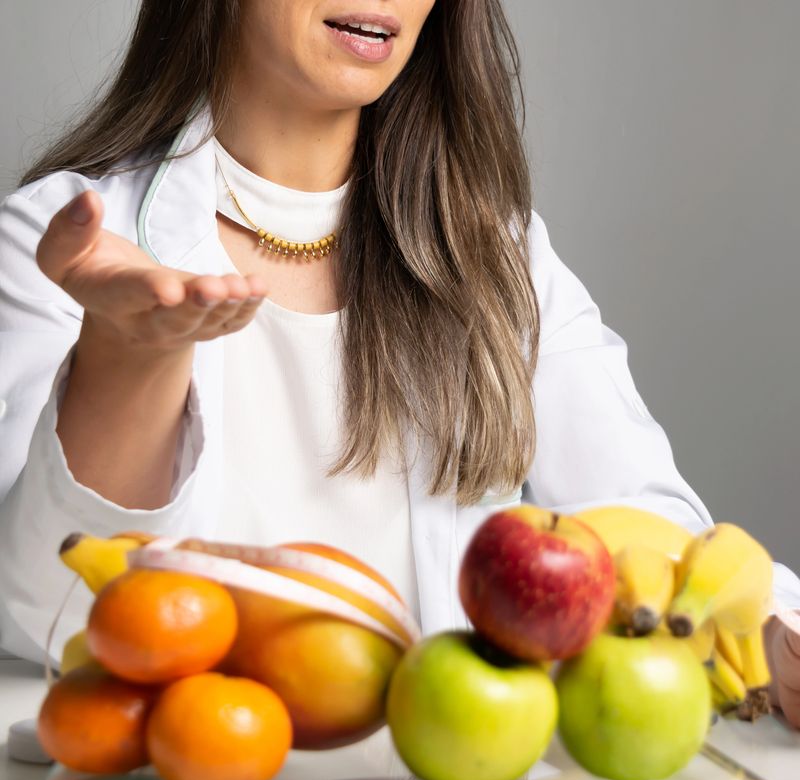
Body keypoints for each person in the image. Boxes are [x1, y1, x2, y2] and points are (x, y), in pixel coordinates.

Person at [0, 0, 798, 736]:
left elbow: (650, 524)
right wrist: (129, 356)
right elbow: (48, 612)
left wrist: (773, 629)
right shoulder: (64, 241)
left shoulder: (499, 254)